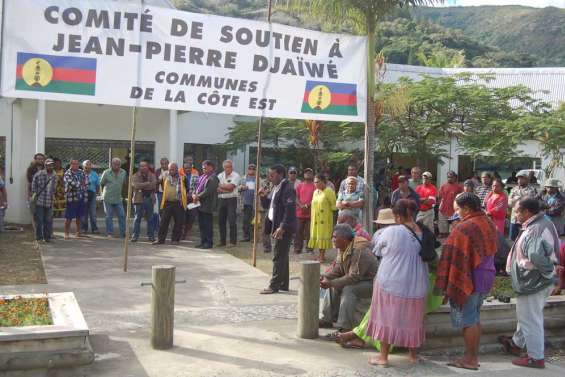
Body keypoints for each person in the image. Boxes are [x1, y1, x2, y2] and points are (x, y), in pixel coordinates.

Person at [435, 192, 497, 371]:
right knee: (474, 318)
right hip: (485, 275)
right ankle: (472, 357)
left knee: (468, 320)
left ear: (467, 208)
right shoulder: (487, 222)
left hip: (469, 277)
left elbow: (455, 255)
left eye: (457, 210)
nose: (456, 214)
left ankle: (470, 359)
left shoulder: (465, 228)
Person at [366, 199, 430, 367]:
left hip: (391, 280)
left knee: (386, 316)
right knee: (414, 319)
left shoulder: (390, 232)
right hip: (417, 281)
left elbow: (377, 250)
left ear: (397, 215)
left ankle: (383, 357)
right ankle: (414, 356)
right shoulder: (424, 231)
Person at [499, 198, 560, 369]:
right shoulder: (541, 222)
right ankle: (517, 344)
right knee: (527, 316)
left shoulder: (535, 228)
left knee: (530, 319)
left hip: (534, 282)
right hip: (537, 281)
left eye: (517, 211)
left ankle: (535, 357)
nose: (515, 214)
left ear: (527, 212)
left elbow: (535, 256)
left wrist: (549, 273)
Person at [319, 224, 378, 337]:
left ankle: (344, 327)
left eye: (335, 237)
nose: (333, 239)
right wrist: (326, 277)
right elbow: (338, 269)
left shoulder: (359, 251)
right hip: (359, 280)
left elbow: (354, 277)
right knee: (333, 284)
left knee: (348, 289)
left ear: (345, 239)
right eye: (333, 236)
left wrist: (331, 282)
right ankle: (327, 319)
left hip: (371, 283)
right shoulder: (343, 249)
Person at [260, 164, 297, 294]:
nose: (270, 178)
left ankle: (274, 285)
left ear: (280, 174)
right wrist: (263, 196)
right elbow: (269, 206)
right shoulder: (275, 187)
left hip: (283, 227)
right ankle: (283, 283)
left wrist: (282, 227)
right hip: (275, 224)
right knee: (283, 256)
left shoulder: (287, 188)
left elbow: (290, 210)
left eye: (272, 175)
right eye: (269, 175)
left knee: (278, 256)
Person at [154, 162, 186, 245]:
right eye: (170, 169)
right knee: (163, 222)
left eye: (173, 169)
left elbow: (187, 188)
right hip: (167, 202)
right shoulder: (165, 175)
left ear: (177, 169)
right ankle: (160, 240)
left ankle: (175, 240)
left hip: (178, 203)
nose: (171, 171)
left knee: (178, 222)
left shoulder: (183, 177)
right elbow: (158, 182)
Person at [308, 174, 337, 263]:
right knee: (317, 236)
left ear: (323, 181)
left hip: (325, 219)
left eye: (317, 182)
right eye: (314, 182)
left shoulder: (329, 191)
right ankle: (319, 255)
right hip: (316, 219)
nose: (315, 184)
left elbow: (334, 206)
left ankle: (322, 256)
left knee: (322, 236)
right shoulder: (315, 192)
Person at [193, 160, 219, 249]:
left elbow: (208, 191)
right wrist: (194, 194)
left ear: (211, 167)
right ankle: (203, 241)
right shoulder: (202, 177)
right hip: (200, 204)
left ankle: (208, 243)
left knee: (208, 225)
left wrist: (198, 196)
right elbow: (196, 187)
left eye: (205, 168)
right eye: (203, 168)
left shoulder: (214, 178)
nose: (203, 169)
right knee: (202, 224)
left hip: (208, 205)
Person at [31, 159, 57, 242]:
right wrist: (35, 193)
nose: (50, 166)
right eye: (48, 165)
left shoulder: (54, 175)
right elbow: (33, 185)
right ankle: (39, 237)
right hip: (40, 201)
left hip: (49, 201)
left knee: (48, 220)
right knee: (39, 220)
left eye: (51, 165)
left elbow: (54, 188)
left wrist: (53, 196)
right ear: (45, 166)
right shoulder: (39, 174)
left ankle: (47, 237)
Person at [100, 158, 127, 238]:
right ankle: (110, 233)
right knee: (109, 216)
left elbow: (125, 184)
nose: (117, 166)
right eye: (115, 164)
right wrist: (101, 195)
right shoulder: (106, 172)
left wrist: (125, 197)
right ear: (112, 164)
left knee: (122, 215)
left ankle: (123, 233)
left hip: (118, 198)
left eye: (118, 164)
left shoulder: (123, 172)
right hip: (107, 198)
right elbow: (101, 183)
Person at [216, 160, 241, 247]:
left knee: (232, 221)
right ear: (224, 167)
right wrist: (226, 189)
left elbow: (231, 188)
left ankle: (232, 242)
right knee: (221, 221)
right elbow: (217, 188)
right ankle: (222, 241)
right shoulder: (220, 175)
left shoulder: (236, 175)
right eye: (227, 167)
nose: (229, 168)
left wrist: (221, 186)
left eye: (230, 166)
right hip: (221, 200)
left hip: (232, 199)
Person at [131, 160, 156, 242]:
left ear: (147, 166)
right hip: (138, 199)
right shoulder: (135, 175)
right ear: (139, 167)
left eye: (145, 166)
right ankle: (135, 236)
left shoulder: (152, 175)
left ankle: (151, 236)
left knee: (150, 218)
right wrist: (147, 183)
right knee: (137, 218)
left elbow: (153, 185)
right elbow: (135, 185)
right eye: (141, 166)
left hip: (149, 199)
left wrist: (143, 185)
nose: (143, 167)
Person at [508, 172, 538, 241]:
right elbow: (509, 203)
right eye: (518, 179)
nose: (519, 180)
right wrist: (520, 198)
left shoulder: (531, 190)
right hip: (514, 218)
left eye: (522, 179)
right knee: (513, 239)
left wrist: (516, 198)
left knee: (525, 239)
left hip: (525, 219)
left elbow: (528, 204)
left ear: (527, 180)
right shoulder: (514, 189)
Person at [63, 159, 88, 239]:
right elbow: (71, 183)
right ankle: (66, 233)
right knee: (69, 217)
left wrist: (80, 185)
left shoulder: (82, 172)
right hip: (71, 198)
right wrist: (80, 184)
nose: (75, 165)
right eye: (73, 164)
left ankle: (78, 232)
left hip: (81, 197)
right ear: (70, 164)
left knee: (79, 216)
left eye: (77, 164)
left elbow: (86, 182)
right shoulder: (67, 173)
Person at [294, 168, 315, 253]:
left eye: (310, 172)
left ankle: (309, 248)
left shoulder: (315, 186)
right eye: (306, 172)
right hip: (300, 212)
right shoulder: (300, 185)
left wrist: (307, 205)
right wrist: (301, 205)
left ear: (312, 175)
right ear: (303, 175)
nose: (307, 174)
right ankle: (297, 248)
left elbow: (316, 198)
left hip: (311, 213)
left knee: (309, 231)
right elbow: (295, 197)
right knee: (298, 231)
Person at [179, 155, 199, 240]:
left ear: (191, 168)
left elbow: (198, 186)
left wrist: (194, 195)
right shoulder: (180, 175)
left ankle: (187, 230)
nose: (187, 170)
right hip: (183, 199)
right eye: (185, 168)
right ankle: (182, 232)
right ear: (183, 168)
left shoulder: (196, 174)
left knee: (192, 217)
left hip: (193, 200)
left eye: (189, 168)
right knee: (183, 216)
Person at [438, 171, 463, 237]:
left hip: (454, 212)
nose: (449, 178)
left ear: (455, 177)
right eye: (448, 177)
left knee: (452, 233)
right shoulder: (443, 186)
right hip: (443, 211)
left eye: (451, 177)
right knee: (443, 232)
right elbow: (439, 197)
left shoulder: (459, 187)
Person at [81, 160, 100, 234]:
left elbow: (98, 185)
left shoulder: (94, 174)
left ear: (91, 166)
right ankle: (83, 228)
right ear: (83, 166)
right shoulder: (80, 173)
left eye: (89, 165)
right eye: (86, 165)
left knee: (93, 213)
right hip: (83, 194)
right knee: (84, 213)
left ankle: (94, 228)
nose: (87, 167)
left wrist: (97, 194)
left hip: (92, 194)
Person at [240, 163, 257, 242]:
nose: (251, 170)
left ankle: (253, 237)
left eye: (253, 169)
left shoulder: (258, 179)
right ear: (247, 169)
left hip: (254, 203)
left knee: (254, 220)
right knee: (245, 220)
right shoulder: (243, 178)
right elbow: (238, 187)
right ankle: (246, 236)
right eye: (250, 168)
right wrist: (242, 187)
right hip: (245, 202)